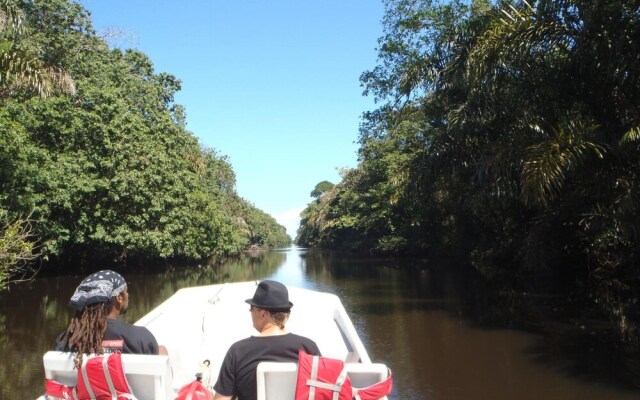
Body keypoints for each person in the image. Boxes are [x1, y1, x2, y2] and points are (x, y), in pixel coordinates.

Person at [213, 280, 321, 400]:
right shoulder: (308, 347)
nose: (250, 312)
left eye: (251, 308)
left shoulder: (238, 351)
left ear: (263, 314)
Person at [54, 270, 167, 367]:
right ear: (119, 298)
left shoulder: (65, 340)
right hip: (126, 393)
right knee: (162, 351)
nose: (128, 295)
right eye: (126, 291)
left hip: (83, 392)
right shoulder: (140, 337)